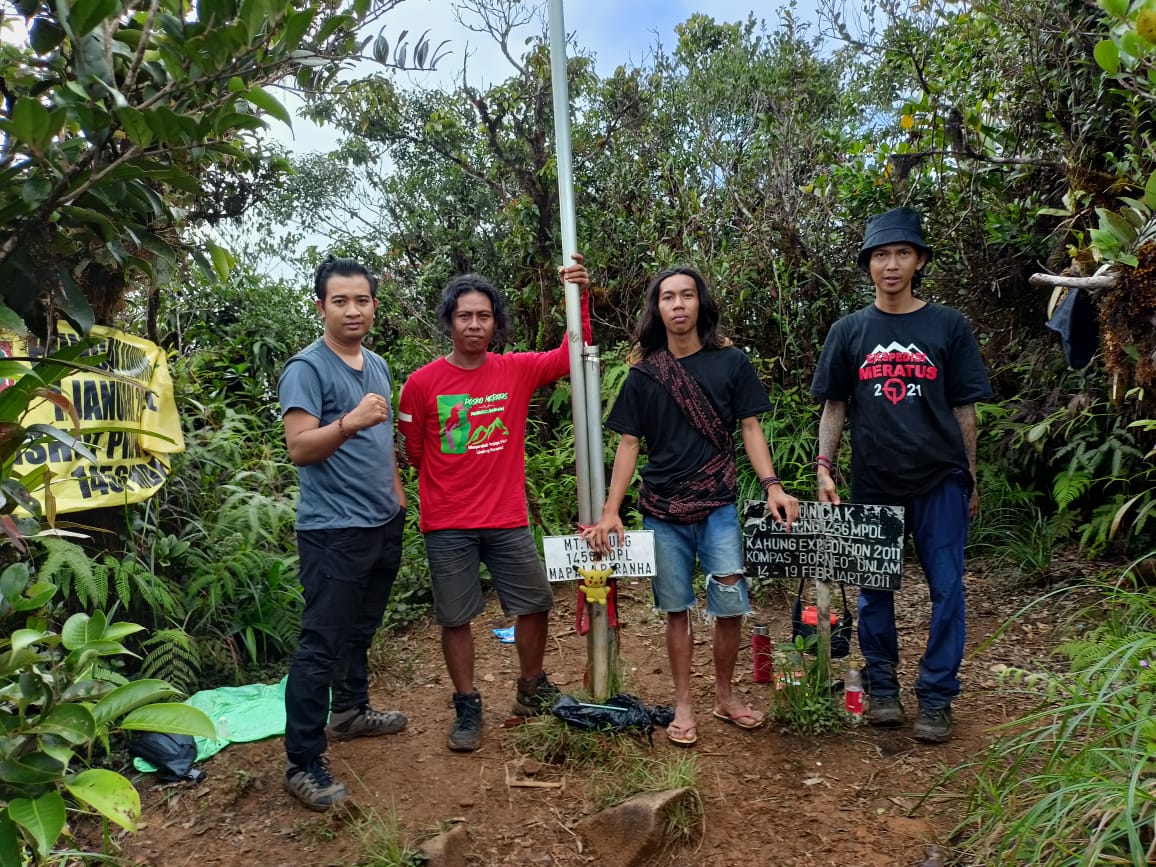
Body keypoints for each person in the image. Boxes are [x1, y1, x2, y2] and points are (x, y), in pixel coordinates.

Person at [583, 266, 799, 747]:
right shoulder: (644, 375)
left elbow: (749, 428)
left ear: (700, 303)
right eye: (667, 297)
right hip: (662, 510)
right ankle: (683, 702)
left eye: (686, 295)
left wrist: (772, 485)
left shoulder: (731, 363)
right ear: (656, 309)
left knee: (729, 602)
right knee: (676, 608)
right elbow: (628, 444)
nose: (678, 305)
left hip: (719, 504)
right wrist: (611, 510)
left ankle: (724, 695)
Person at [810, 206, 992, 743]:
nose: (891, 265)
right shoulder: (849, 332)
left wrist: (972, 477)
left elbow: (965, 409)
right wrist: (824, 467)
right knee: (875, 591)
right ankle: (884, 689)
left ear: (919, 262)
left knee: (948, 592)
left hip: (940, 480)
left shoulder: (948, 326)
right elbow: (835, 407)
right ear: (868, 264)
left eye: (902, 254)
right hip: (874, 482)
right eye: (881, 255)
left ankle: (936, 696)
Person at [397, 256, 591, 752]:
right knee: (455, 617)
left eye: (484, 316)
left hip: (506, 517)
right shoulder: (421, 385)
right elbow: (414, 452)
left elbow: (572, 353)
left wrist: (580, 297)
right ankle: (467, 703)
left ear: (496, 323)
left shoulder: (516, 370)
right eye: (465, 316)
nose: (475, 324)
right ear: (449, 322)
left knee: (536, 603)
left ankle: (530, 688)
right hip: (448, 522)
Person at [277, 256, 409, 810]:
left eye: (362, 300)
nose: (353, 310)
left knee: (360, 630)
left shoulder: (375, 363)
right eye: (340, 301)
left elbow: (383, 445)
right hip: (333, 531)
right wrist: (347, 422)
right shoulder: (306, 369)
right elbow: (300, 447)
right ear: (320, 306)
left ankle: (352, 712)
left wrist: (398, 496)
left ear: (374, 305)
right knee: (321, 644)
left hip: (381, 522)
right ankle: (302, 761)